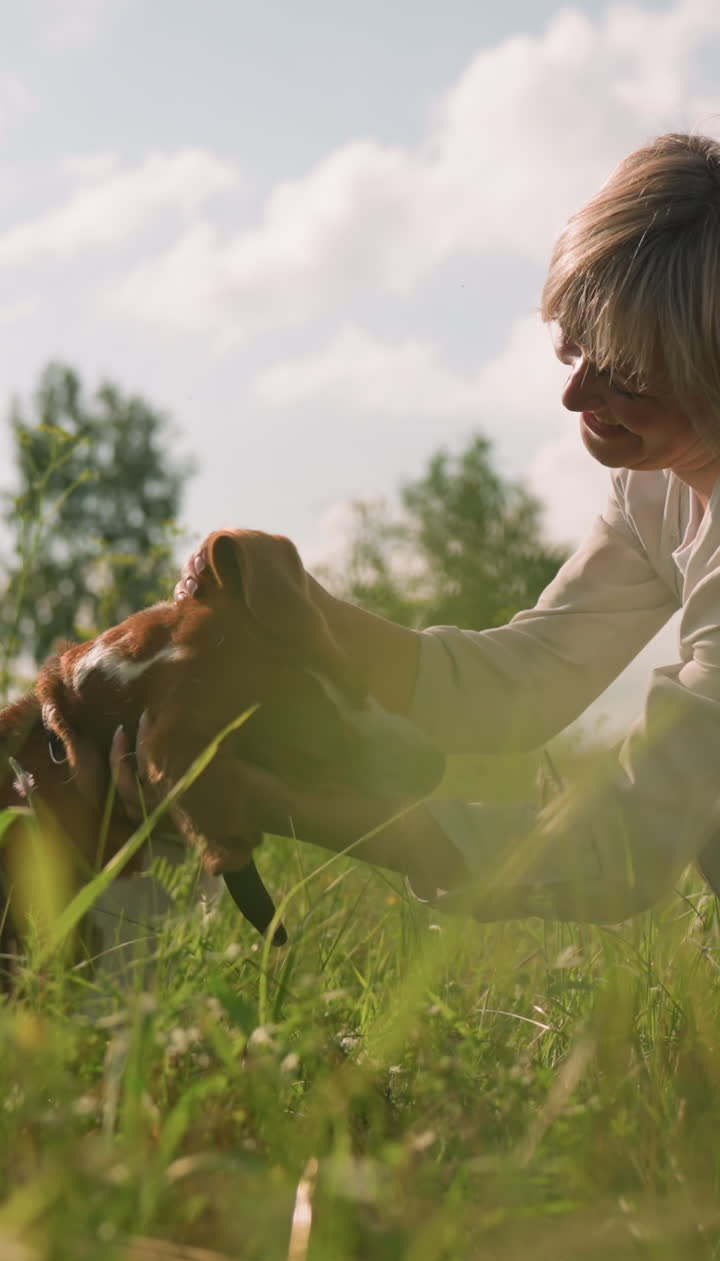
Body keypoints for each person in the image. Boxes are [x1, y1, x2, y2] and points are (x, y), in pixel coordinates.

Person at [115, 131, 720, 925]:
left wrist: (285, 806)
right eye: (574, 344)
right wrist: (307, 612)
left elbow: (628, 844)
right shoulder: (654, 483)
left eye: (627, 373)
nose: (574, 396)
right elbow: (522, 682)